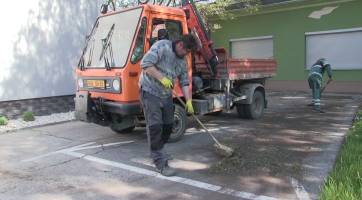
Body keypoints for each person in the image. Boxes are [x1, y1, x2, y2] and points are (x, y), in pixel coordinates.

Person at [138, 34, 198, 176]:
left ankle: (159, 150)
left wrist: (189, 101)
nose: (188, 54)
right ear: (180, 44)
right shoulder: (161, 47)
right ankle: (160, 163)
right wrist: (161, 78)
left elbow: (184, 81)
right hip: (150, 91)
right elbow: (145, 64)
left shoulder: (183, 61)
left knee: (168, 125)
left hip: (165, 95)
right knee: (155, 126)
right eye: (187, 51)